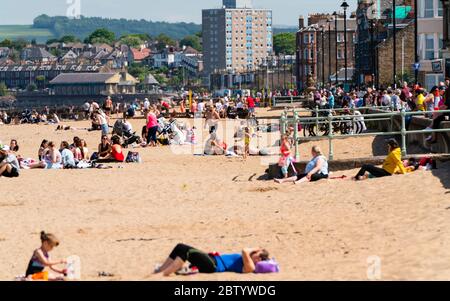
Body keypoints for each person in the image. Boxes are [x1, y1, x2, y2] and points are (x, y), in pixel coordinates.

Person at [155, 243, 270, 276]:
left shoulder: (251, 267)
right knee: (180, 247)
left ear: (259, 259)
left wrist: (257, 248)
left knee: (187, 251)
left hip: (213, 266)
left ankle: (165, 273)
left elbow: (245, 250)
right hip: (212, 260)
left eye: (256, 253)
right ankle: (161, 269)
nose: (253, 252)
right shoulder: (247, 261)